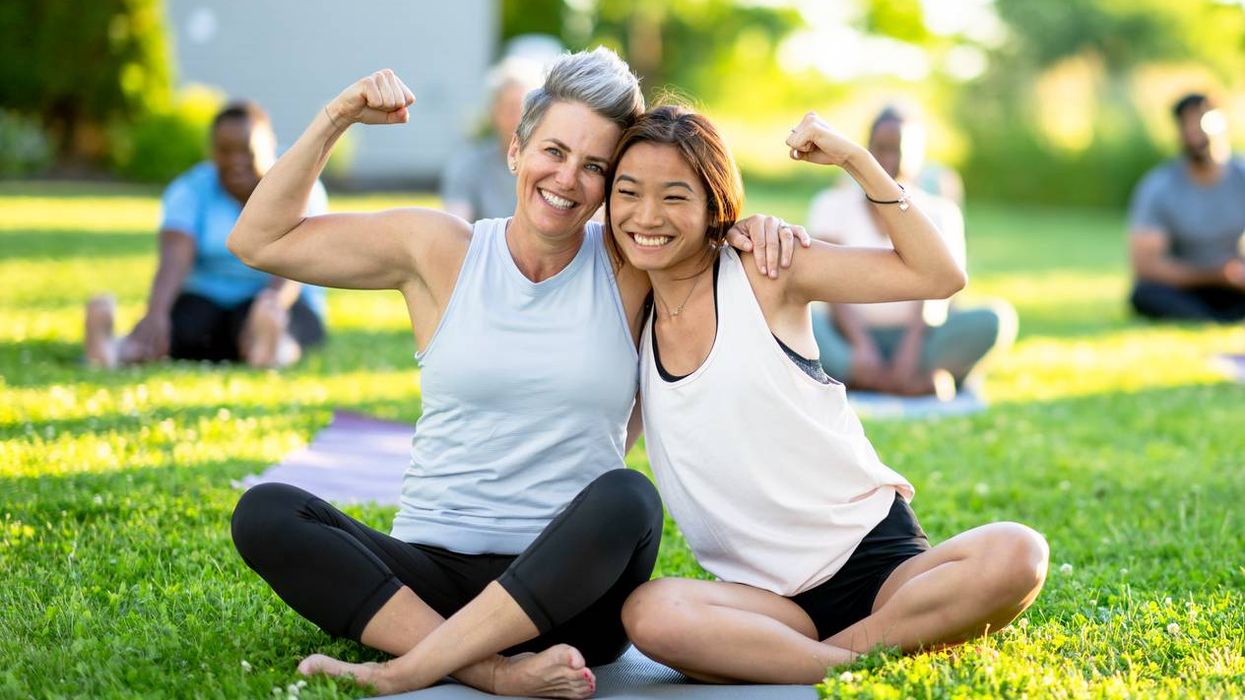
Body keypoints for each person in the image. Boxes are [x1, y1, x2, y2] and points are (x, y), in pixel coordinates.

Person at [226, 49, 801, 699]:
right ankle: (492, 671)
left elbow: (705, 217)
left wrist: (758, 228)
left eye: (594, 168)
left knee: (629, 498)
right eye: (553, 152)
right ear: (515, 152)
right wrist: (337, 117)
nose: (567, 179)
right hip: (430, 580)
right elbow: (259, 240)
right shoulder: (439, 250)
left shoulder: (632, 263)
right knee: (265, 512)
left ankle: (411, 665)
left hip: (573, 597)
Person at [607, 106, 1049, 684]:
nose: (647, 216)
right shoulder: (626, 318)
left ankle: (819, 662)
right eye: (628, 192)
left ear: (716, 206)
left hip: (878, 564)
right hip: (768, 604)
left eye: (674, 197)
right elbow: (602, 444)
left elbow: (939, 276)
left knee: (1019, 552)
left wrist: (855, 160)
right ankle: (866, 658)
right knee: (650, 613)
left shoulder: (765, 270)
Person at [84, 102, 329, 369]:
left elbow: (295, 261)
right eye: (225, 151)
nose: (236, 162)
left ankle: (272, 348)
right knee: (178, 329)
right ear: (211, 152)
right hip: (208, 299)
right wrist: (156, 313)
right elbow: (175, 257)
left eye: (247, 151)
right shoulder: (192, 189)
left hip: (277, 297)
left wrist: (271, 303)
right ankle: (113, 348)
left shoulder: (300, 184)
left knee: (279, 322)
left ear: (270, 146)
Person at [807, 107, 1016, 396]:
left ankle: (871, 379)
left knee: (995, 320)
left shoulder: (940, 212)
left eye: (898, 149)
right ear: (866, 150)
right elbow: (825, 282)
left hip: (919, 340)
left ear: (918, 155)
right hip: (848, 340)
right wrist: (861, 345)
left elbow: (940, 290)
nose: (888, 159)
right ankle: (901, 381)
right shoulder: (832, 204)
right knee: (795, 316)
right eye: (880, 148)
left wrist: (910, 350)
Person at [1128, 93, 1245, 322]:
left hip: (1236, 284)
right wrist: (1213, 276)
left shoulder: (1241, 176)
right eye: (1188, 126)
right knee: (1145, 294)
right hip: (1185, 286)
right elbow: (1146, 265)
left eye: (1203, 122)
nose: (1198, 135)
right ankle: (1210, 319)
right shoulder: (1159, 187)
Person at [441, 57, 544, 221]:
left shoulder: (551, 168)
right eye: (510, 109)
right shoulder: (469, 163)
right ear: (493, 112)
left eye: (524, 111)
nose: (518, 120)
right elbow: (455, 222)